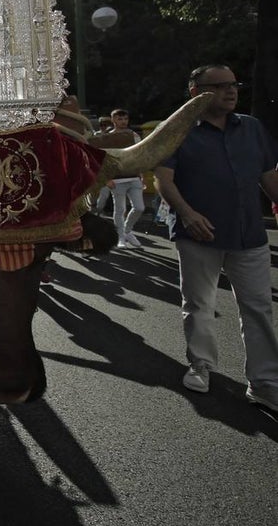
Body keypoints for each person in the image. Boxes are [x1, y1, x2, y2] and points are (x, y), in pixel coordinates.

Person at [154, 65, 278, 411]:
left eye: (234, 84)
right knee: (199, 305)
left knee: (258, 308)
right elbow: (164, 180)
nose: (231, 90)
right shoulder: (176, 130)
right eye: (219, 86)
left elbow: (268, 176)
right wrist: (187, 213)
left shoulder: (251, 127)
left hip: (249, 234)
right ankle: (201, 366)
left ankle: (265, 382)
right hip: (199, 234)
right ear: (195, 92)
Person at [105, 109, 144, 247]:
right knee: (119, 209)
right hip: (117, 179)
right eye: (120, 119)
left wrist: (141, 175)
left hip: (134, 177)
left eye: (125, 119)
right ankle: (120, 237)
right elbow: (104, 160)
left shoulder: (133, 135)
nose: (123, 122)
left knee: (139, 208)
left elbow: (139, 156)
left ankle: (127, 231)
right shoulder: (107, 137)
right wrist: (106, 179)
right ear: (113, 120)